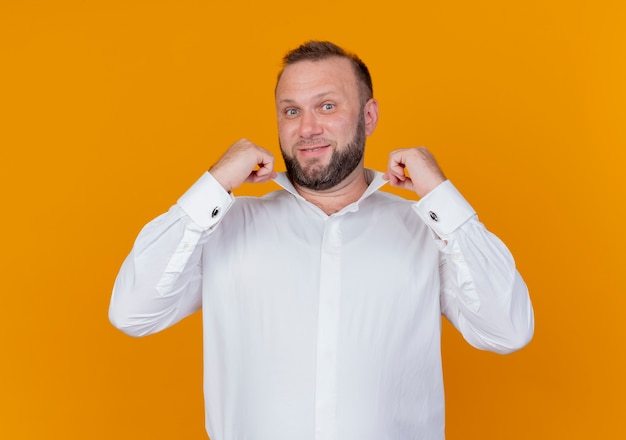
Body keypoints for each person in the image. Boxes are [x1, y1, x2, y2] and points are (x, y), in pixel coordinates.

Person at [109, 40, 534, 440]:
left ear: (368, 116)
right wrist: (215, 182)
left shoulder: (428, 230)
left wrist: (441, 195)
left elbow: (507, 330)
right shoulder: (223, 227)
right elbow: (132, 312)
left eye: (327, 106)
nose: (307, 128)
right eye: (291, 111)